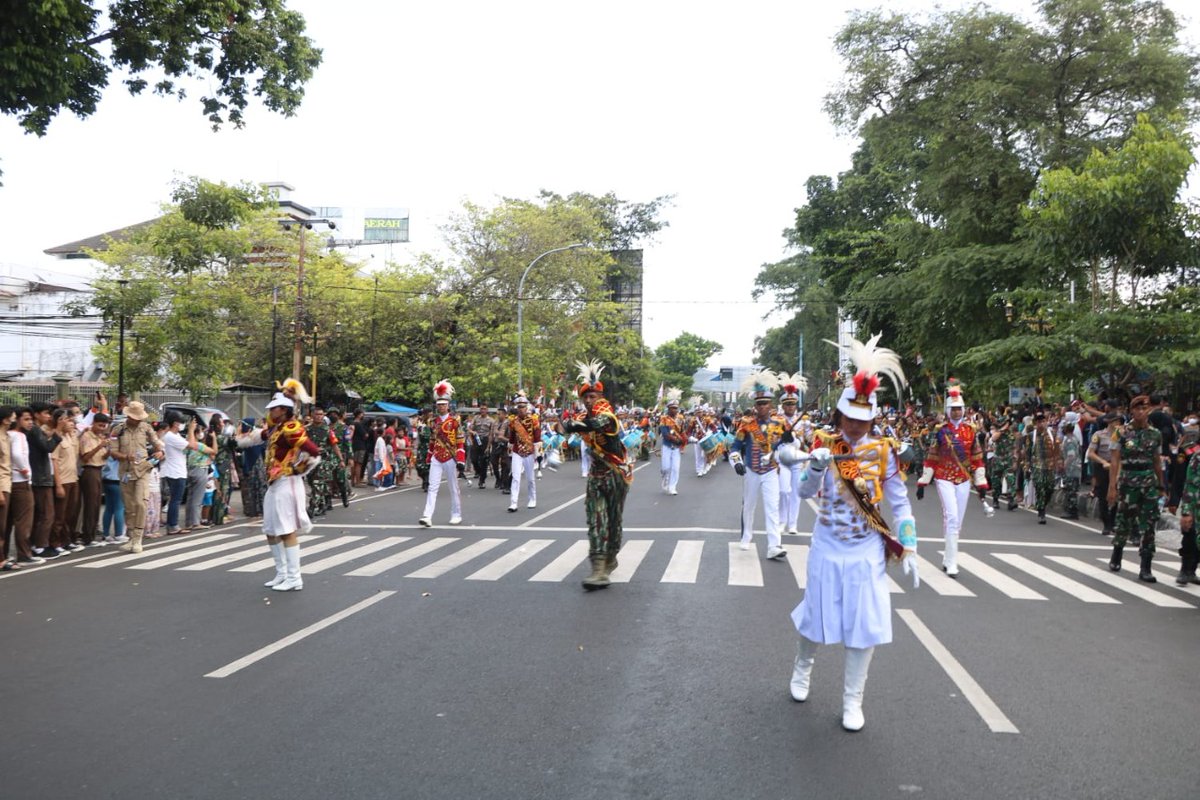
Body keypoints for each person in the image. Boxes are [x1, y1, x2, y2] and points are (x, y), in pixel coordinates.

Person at [789, 334, 917, 732]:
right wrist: (814, 468)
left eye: (863, 420)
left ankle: (852, 700)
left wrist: (910, 544)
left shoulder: (885, 451)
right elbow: (803, 493)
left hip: (866, 548)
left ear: (872, 419)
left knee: (864, 625)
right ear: (839, 416)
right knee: (815, 614)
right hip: (827, 542)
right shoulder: (823, 444)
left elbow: (900, 503)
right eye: (850, 418)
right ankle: (802, 666)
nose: (856, 426)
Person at [561, 360, 633, 589]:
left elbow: (595, 424)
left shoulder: (607, 415)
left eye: (593, 396)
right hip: (596, 475)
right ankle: (598, 568)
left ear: (601, 396)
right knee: (596, 520)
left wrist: (571, 425)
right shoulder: (584, 417)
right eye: (586, 397)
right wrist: (566, 426)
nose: (589, 400)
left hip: (615, 474)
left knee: (614, 521)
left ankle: (611, 556)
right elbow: (579, 427)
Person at [247, 392, 321, 592]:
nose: (271, 411)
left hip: (287, 482)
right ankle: (282, 573)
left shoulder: (291, 427)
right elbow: (259, 436)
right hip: (274, 483)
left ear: (283, 410)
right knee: (271, 530)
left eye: (274, 408)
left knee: (286, 530)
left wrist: (298, 469)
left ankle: (294, 577)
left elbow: (314, 451)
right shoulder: (277, 428)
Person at [916, 379, 989, 576]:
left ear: (963, 410)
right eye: (953, 409)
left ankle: (948, 558)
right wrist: (924, 481)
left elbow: (977, 458)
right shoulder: (941, 431)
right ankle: (951, 562)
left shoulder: (970, 431)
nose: (956, 412)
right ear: (948, 411)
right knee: (951, 516)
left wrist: (981, 483)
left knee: (958, 522)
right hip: (944, 477)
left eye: (959, 409)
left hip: (964, 479)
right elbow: (932, 456)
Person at [730, 371, 788, 561]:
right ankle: (746, 536)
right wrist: (737, 462)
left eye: (765, 403)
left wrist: (789, 438)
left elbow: (790, 443)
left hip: (771, 470)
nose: (762, 406)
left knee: (772, 507)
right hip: (752, 470)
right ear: (755, 405)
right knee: (749, 506)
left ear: (770, 404)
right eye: (759, 403)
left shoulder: (779, 423)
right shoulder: (746, 425)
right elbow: (735, 447)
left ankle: (774, 545)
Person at [1107, 395, 1164, 580]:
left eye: (1144, 408)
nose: (1141, 412)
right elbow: (1114, 461)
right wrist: (1112, 486)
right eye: (1137, 408)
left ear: (1149, 410)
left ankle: (1146, 566)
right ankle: (1117, 554)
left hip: (1148, 482)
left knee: (1149, 524)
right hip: (1128, 482)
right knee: (1124, 520)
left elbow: (1157, 461)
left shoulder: (1155, 434)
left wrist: (1161, 484)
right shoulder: (1121, 432)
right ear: (1131, 411)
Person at [108, 401, 164, 554]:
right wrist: (126, 456)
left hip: (143, 470)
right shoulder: (117, 430)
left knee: (141, 503)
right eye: (135, 417)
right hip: (125, 472)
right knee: (129, 507)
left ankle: (138, 538)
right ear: (129, 416)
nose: (138, 420)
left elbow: (157, 443)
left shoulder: (146, 428)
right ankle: (131, 537)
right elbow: (113, 452)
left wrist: (160, 451)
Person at [418, 381, 465, 528]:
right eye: (439, 405)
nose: (441, 407)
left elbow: (460, 441)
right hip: (437, 457)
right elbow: (432, 441)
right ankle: (427, 515)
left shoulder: (455, 421)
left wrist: (461, 460)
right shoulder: (433, 422)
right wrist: (428, 457)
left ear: (448, 405)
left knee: (453, 487)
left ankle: (456, 514)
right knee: (432, 487)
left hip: (451, 457)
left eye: (443, 404)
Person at [775, 372, 809, 535]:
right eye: (787, 404)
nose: (790, 407)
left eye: (792, 404)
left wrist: (795, 439)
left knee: (796, 492)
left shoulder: (803, 421)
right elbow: (772, 441)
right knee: (783, 491)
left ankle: (792, 524)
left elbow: (807, 442)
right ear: (783, 406)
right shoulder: (776, 421)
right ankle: (782, 521)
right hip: (782, 459)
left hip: (797, 459)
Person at [50, 407, 83, 550]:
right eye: (67, 420)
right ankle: (55, 542)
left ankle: (66, 540)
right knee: (60, 515)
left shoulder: (71, 436)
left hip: (73, 479)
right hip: (62, 480)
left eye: (71, 420)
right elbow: (54, 461)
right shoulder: (56, 437)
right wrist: (58, 485)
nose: (71, 423)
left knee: (70, 513)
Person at [1088, 413, 1121, 536]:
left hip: (1116, 466)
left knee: (1116, 495)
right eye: (1115, 421)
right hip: (1103, 467)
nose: (1117, 423)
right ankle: (1106, 523)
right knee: (1103, 495)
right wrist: (1103, 462)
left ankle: (1113, 522)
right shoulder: (1099, 435)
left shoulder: (1121, 435)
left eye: (1118, 421)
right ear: (1109, 422)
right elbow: (1091, 453)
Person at [507, 393, 541, 512]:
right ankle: (513, 503)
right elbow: (512, 437)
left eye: (523, 407)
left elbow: (537, 437)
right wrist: (510, 447)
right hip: (517, 451)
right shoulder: (513, 421)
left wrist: (538, 452)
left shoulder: (533, 420)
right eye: (519, 407)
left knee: (530, 478)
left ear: (527, 408)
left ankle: (532, 499)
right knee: (515, 477)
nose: (521, 409)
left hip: (529, 452)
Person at [1027, 412, 1060, 524]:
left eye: (1043, 421)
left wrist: (1059, 462)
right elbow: (1027, 452)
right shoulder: (1031, 435)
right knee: (1040, 486)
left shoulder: (1052, 434)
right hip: (1037, 465)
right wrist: (1027, 466)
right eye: (1039, 421)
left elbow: (1057, 449)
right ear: (1036, 423)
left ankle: (1043, 504)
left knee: (1049, 488)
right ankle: (1041, 512)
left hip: (1050, 466)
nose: (1041, 423)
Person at [658, 391, 685, 495]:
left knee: (675, 468)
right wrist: (675, 439)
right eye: (672, 408)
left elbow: (682, 431)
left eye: (676, 408)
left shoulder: (680, 418)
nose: (675, 410)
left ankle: (672, 487)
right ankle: (665, 478)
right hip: (667, 446)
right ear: (668, 409)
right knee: (666, 467)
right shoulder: (664, 419)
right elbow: (665, 433)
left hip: (676, 448)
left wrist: (684, 440)